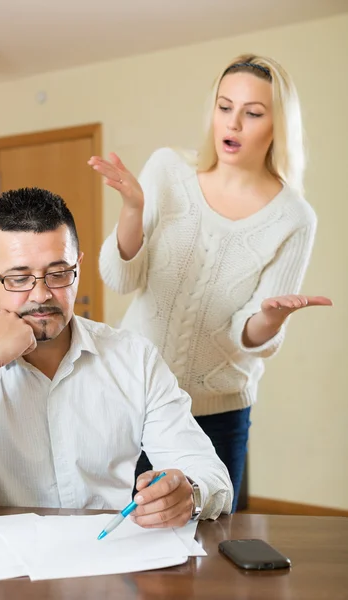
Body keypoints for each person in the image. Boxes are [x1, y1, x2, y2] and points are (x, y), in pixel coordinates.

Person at [0, 187, 232, 525]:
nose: (41, 294)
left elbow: (208, 473)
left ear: (78, 267)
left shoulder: (134, 358)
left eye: (58, 274)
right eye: (18, 278)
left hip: (106, 559)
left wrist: (190, 494)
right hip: (7, 567)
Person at [89, 54, 332, 511]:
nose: (234, 123)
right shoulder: (167, 170)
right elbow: (121, 277)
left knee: (213, 548)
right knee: (122, 539)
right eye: (225, 107)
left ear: (277, 124)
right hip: (133, 399)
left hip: (217, 414)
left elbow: (252, 337)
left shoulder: (294, 218)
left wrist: (269, 318)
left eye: (253, 112)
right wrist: (132, 211)